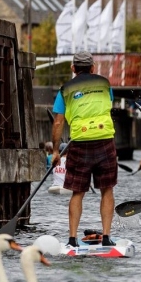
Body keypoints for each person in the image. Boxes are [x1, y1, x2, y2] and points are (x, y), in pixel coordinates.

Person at [51, 51, 118, 248]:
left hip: (79, 142)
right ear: (92, 68)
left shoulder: (65, 90)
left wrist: (56, 151)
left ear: (73, 69)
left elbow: (58, 122)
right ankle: (106, 236)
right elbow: (107, 105)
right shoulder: (105, 84)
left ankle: (72, 239)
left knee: (77, 192)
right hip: (105, 139)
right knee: (107, 190)